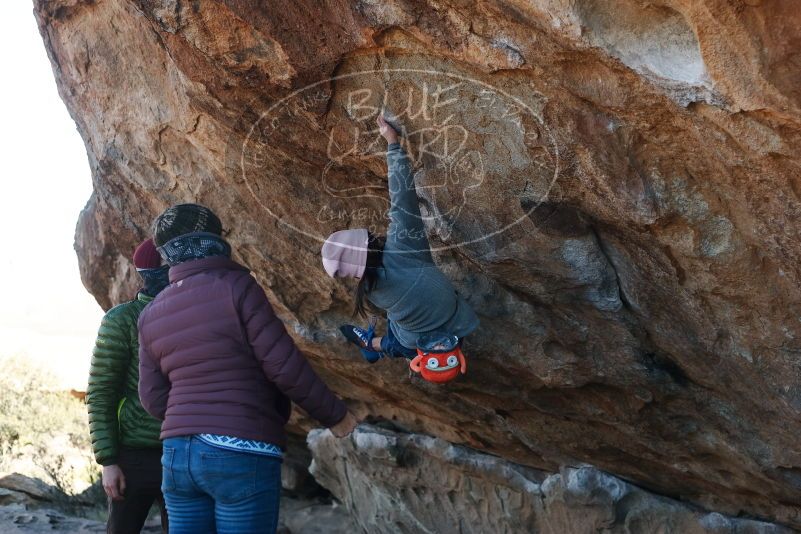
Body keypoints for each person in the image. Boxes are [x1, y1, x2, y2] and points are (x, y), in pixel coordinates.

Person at [137, 203, 357, 534]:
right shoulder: (236, 287)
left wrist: (193, 418)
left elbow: (153, 399)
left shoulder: (151, 313)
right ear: (213, 238)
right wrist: (337, 417)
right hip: (240, 447)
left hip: (177, 453)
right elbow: (284, 366)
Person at [322, 116, 479, 364]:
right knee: (400, 333)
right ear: (368, 242)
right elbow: (402, 196)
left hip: (419, 343)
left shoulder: (370, 290)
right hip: (456, 321)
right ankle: (373, 343)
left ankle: (371, 344)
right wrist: (392, 142)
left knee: (400, 335)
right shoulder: (403, 247)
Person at [86, 238, 170, 534]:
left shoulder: (192, 315)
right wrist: (108, 461)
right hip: (133, 458)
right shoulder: (121, 320)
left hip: (183, 453)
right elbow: (100, 393)